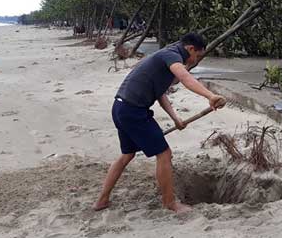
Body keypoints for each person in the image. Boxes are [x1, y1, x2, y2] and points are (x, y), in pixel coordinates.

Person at [94, 32, 226, 213]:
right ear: (190, 49)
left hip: (120, 108)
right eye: (197, 55)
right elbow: (187, 79)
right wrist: (211, 96)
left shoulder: (165, 56)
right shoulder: (172, 55)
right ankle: (170, 202)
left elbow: (159, 93)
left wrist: (176, 118)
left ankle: (102, 200)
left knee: (127, 155)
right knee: (164, 153)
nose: (195, 60)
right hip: (133, 111)